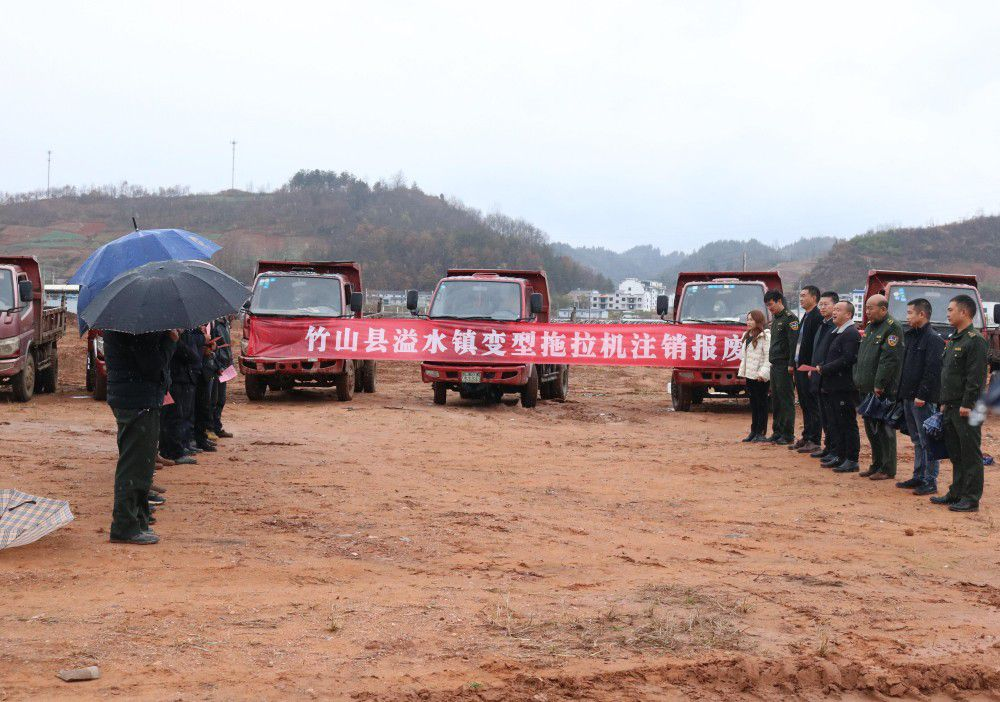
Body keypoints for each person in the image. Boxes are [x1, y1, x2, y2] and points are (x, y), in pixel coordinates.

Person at [104, 329, 178, 545]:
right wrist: (170, 341)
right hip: (136, 400)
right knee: (134, 466)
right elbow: (152, 366)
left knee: (143, 466)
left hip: (138, 398)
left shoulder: (137, 325)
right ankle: (124, 526)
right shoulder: (137, 330)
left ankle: (138, 520)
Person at [931, 295, 989, 512]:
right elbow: (948, 375)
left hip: (967, 408)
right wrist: (943, 402)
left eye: (950, 309)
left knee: (970, 453)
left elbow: (975, 377)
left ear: (964, 312)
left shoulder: (975, 341)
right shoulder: (955, 338)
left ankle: (971, 497)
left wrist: (968, 404)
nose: (947, 313)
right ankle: (956, 492)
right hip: (951, 405)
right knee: (956, 452)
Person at [895, 299, 944, 495]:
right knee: (916, 440)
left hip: (921, 398)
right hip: (908, 396)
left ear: (921, 314)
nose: (907, 317)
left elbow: (932, 371)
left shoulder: (933, 339)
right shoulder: (912, 336)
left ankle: (930, 480)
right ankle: (918, 476)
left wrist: (922, 395)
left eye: (910, 313)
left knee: (927, 441)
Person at [853, 294, 903, 480]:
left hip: (882, 389)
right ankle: (876, 464)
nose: (867, 312)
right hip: (866, 386)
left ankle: (887, 468)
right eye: (866, 308)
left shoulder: (892, 328)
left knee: (883, 429)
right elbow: (863, 357)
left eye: (871, 308)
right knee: (871, 428)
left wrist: (879, 384)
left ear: (883, 309)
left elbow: (889, 360)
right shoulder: (870, 327)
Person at [817, 301, 862, 473]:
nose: (834, 312)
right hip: (832, 385)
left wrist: (825, 368)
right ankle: (840, 455)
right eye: (834, 309)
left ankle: (851, 459)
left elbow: (848, 358)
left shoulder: (850, 333)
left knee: (847, 423)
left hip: (844, 386)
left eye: (838, 310)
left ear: (849, 315)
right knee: (836, 422)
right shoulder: (837, 332)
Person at [763, 289, 799, 445]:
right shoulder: (776, 320)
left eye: (771, 304)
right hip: (775, 364)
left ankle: (788, 434)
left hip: (785, 365)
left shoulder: (790, 319)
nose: (769, 308)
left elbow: (793, 344)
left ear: (779, 301)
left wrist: (791, 364)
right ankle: (777, 432)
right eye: (767, 305)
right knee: (776, 400)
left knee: (786, 400)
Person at [160, 330, 199, 465]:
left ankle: (176, 448)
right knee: (172, 417)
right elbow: (189, 355)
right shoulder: (168, 334)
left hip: (176, 378)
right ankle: (173, 451)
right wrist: (175, 340)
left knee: (177, 416)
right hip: (173, 379)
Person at [808, 292, 839, 460]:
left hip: (828, 376)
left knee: (832, 416)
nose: (822, 307)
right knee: (824, 415)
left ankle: (834, 449)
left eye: (826, 304)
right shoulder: (822, 325)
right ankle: (828, 447)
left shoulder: (835, 328)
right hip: (817, 374)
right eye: (821, 305)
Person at [792, 286, 823, 453]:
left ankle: (814, 439)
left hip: (808, 367)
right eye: (800, 295)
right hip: (800, 366)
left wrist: (812, 367)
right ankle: (807, 435)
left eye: (804, 296)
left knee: (812, 404)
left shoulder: (817, 317)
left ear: (814, 297)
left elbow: (816, 346)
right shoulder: (806, 315)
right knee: (804, 403)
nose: (801, 298)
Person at [737, 309, 771, 442]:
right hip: (750, 376)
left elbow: (768, 357)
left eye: (751, 319)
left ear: (758, 320)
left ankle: (761, 432)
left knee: (762, 404)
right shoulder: (747, 335)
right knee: (754, 404)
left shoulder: (765, 336)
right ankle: (753, 431)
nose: (748, 322)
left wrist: (763, 373)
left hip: (760, 377)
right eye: (748, 319)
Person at [191, 325, 218, 453]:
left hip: (204, 370)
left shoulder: (203, 325)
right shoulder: (190, 328)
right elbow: (186, 346)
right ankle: (194, 439)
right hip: (194, 371)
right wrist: (203, 341)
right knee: (195, 409)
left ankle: (201, 438)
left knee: (204, 407)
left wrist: (209, 347)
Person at [209, 316, 234, 439]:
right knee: (214, 399)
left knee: (221, 399)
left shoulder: (225, 324)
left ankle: (216, 427)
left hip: (224, 366)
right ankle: (211, 427)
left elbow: (226, 347)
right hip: (218, 366)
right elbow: (215, 347)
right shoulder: (215, 325)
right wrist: (219, 364)